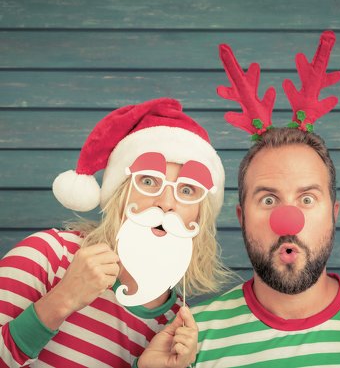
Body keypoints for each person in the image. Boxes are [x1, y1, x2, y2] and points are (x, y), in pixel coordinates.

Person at [191, 31, 340, 367]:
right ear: (241, 216)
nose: (289, 220)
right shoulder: (191, 336)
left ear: (334, 214)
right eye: (269, 200)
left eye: (307, 199)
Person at [0, 98, 232, 368]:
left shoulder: (176, 328)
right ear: (119, 194)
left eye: (187, 190)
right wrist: (63, 299)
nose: (167, 203)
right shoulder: (50, 255)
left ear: (200, 216)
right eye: (148, 181)